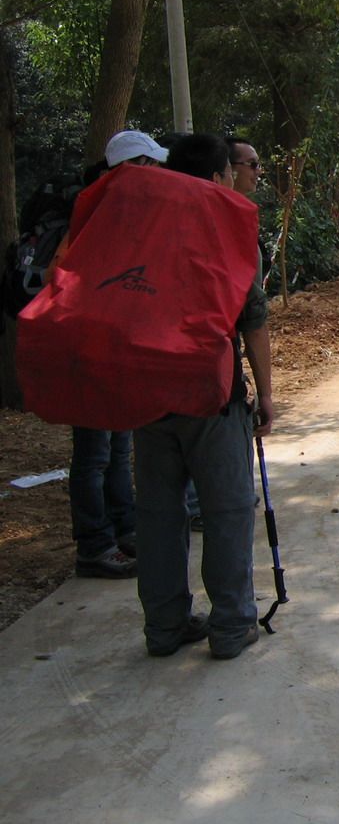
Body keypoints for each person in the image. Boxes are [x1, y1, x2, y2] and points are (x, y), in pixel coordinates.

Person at [133, 133, 273, 658]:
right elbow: (251, 319)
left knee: (159, 514)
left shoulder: (141, 226)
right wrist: (266, 394)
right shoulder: (223, 228)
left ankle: (164, 627)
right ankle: (232, 626)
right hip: (210, 392)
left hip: (149, 391)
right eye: (235, 170)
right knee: (227, 509)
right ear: (217, 177)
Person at [58, 132, 170, 579]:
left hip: (118, 348)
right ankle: (95, 545)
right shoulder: (94, 212)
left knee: (119, 446)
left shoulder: (130, 212)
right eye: (153, 165)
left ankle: (125, 530)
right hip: (89, 350)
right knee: (94, 453)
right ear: (133, 167)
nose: (159, 174)